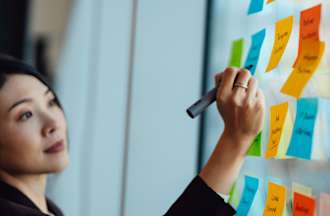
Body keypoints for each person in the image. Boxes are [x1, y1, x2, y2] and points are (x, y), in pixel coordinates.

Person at [0, 54, 264, 216]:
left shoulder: (45, 207)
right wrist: (235, 141)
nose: (52, 123)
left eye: (50, 102)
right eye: (25, 115)